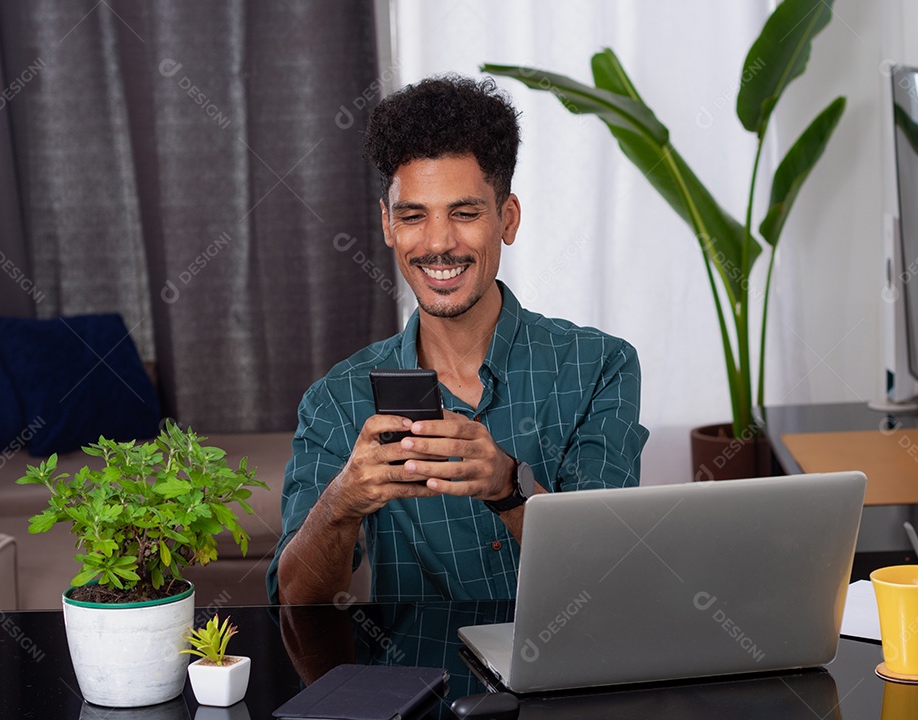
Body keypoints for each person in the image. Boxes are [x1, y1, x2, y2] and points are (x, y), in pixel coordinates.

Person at [266, 75, 647, 604]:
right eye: (413, 216)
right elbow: (295, 604)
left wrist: (509, 489)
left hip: (565, 683)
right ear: (387, 225)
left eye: (465, 214)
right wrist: (342, 503)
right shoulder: (336, 400)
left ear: (506, 219)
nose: (439, 243)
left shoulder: (599, 366)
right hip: (420, 682)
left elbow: (608, 577)